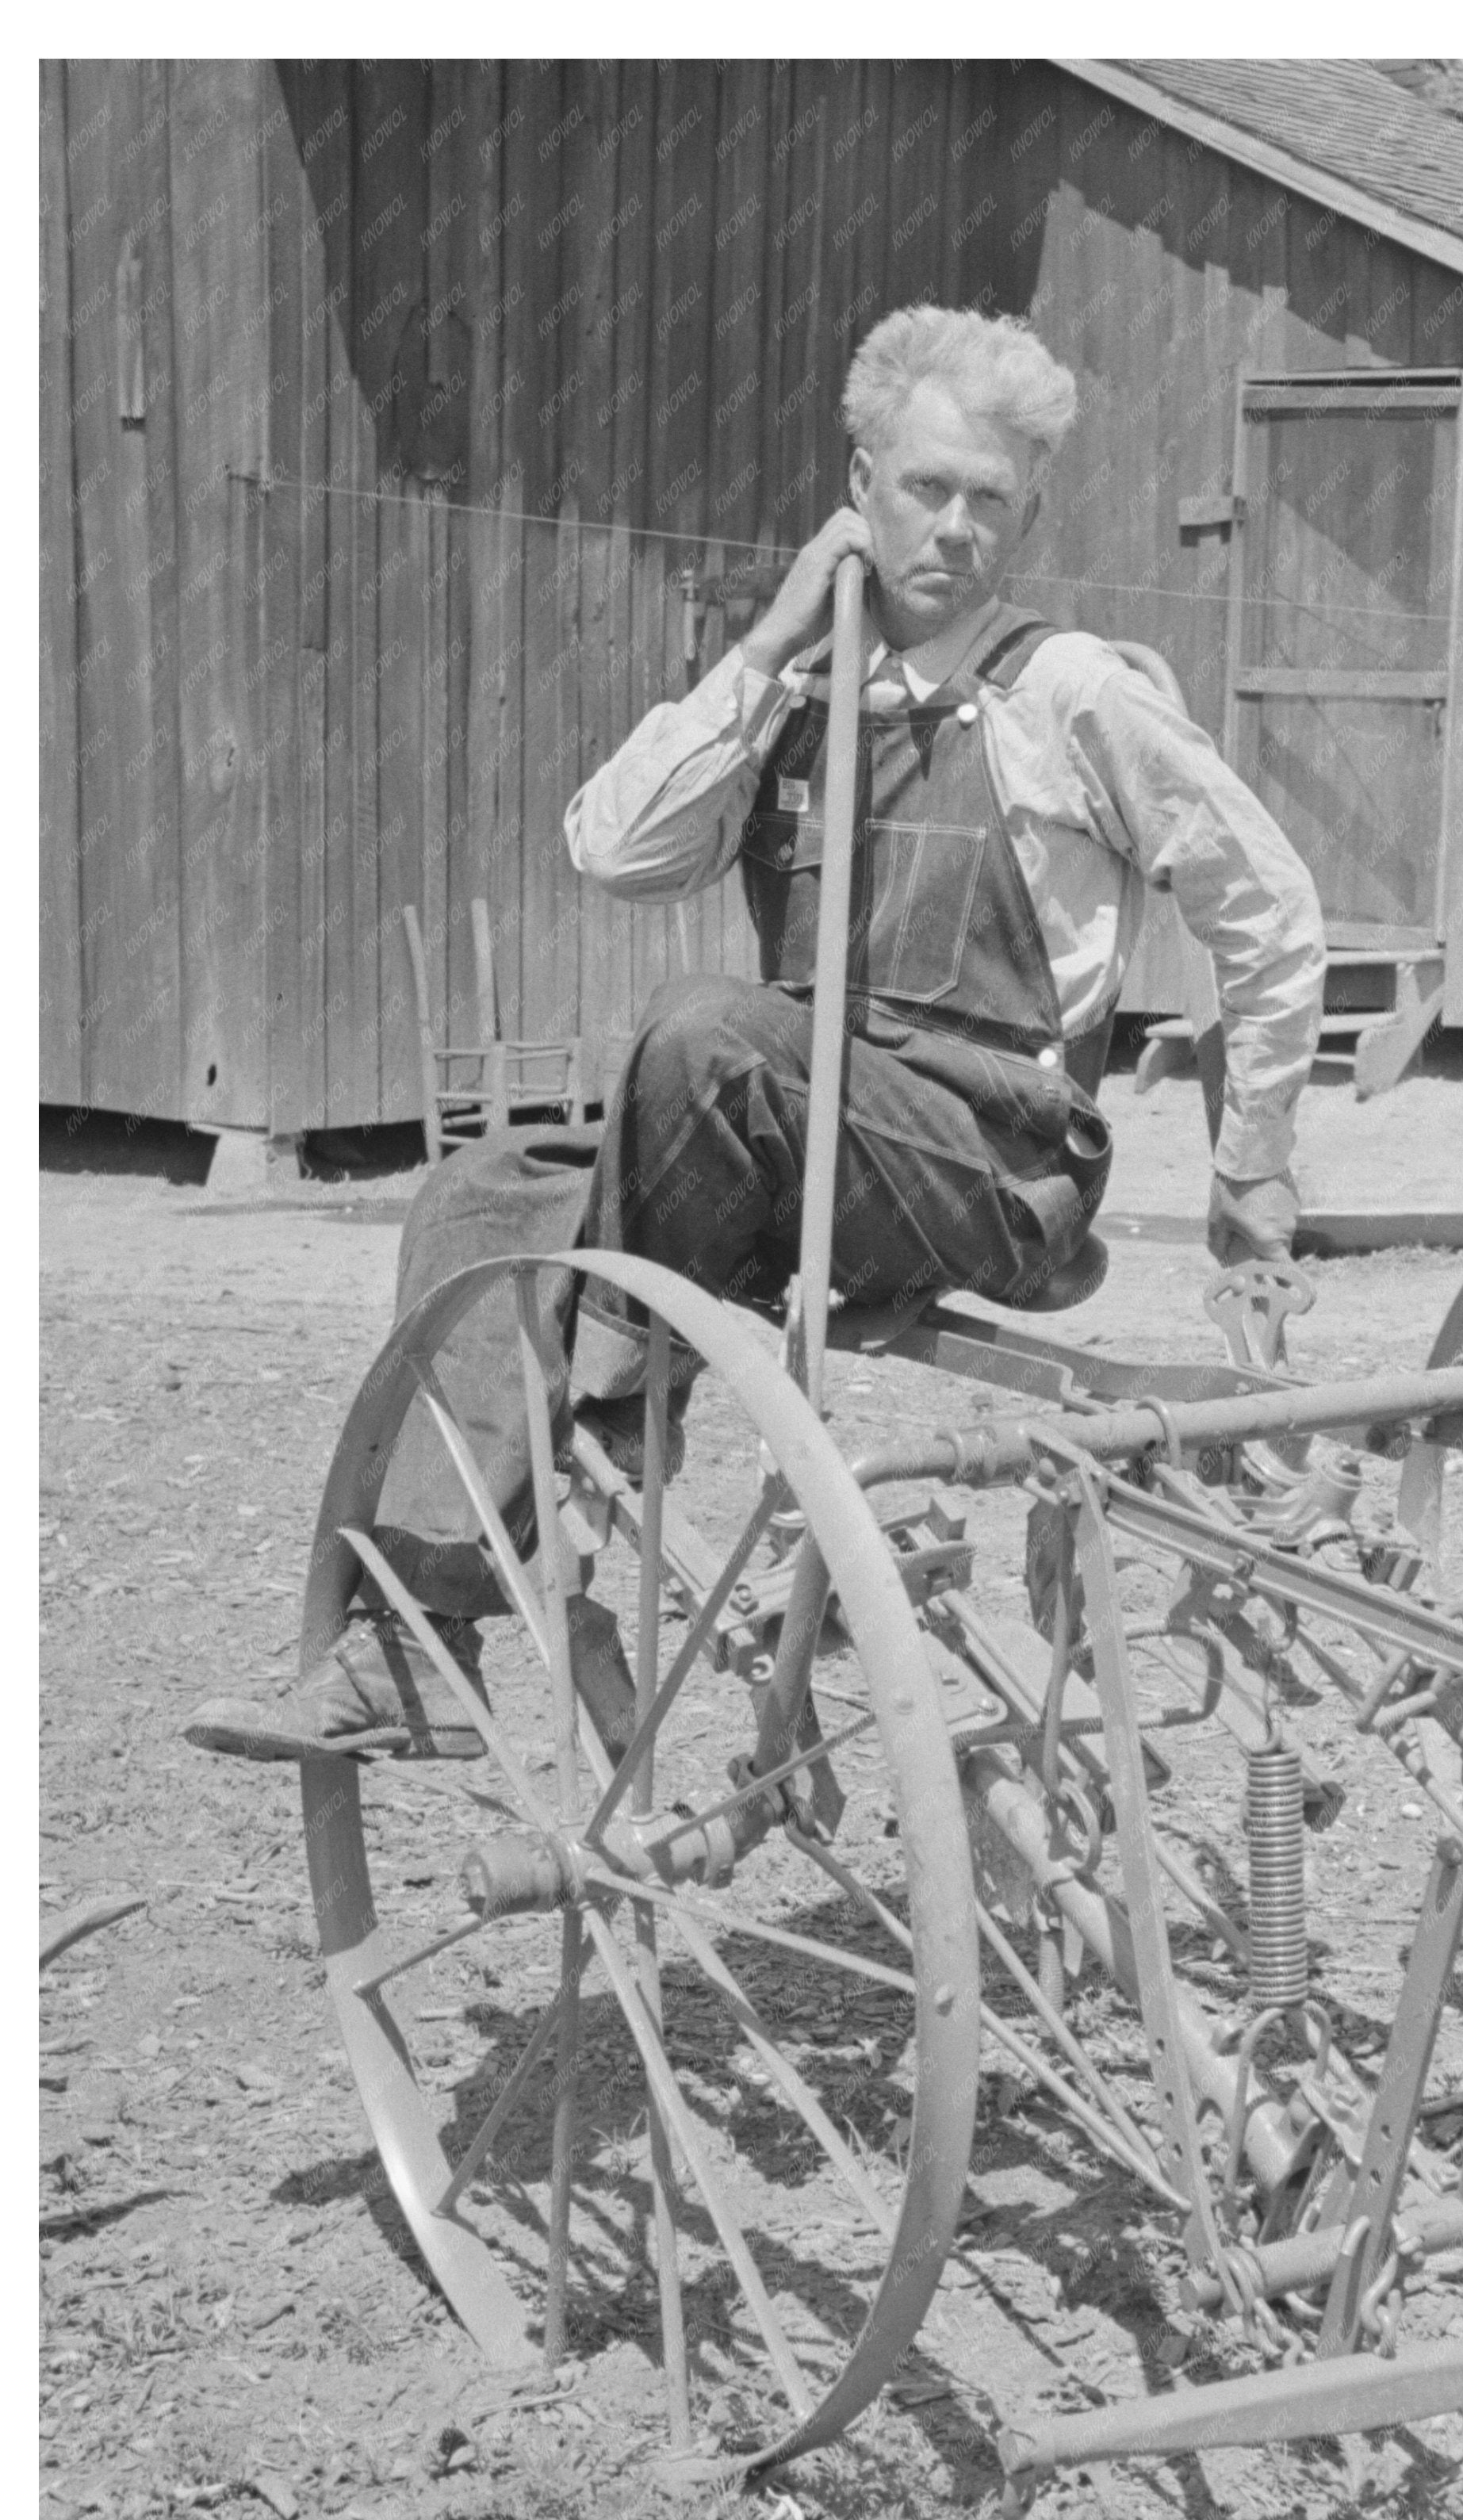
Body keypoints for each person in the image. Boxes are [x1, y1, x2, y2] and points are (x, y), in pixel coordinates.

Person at [190, 305, 1325, 1764]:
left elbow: (1271, 908)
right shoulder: (794, 693)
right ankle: (417, 1643)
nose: (959, 528)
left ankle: (605, 1394)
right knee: (480, 1192)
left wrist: (1255, 1159)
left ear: (1029, 513)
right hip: (783, 1141)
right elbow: (608, 849)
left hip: (986, 1161)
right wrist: (774, 641)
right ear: (858, 487)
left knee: (703, 1031)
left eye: (993, 499)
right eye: (927, 489)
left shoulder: (1072, 694)